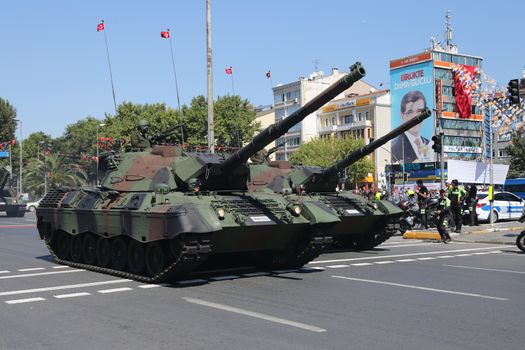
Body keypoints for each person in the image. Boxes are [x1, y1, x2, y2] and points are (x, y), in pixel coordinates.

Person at [391, 91, 433, 163]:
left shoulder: (429, 143)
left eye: (419, 111)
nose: (415, 116)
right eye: (410, 112)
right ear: (402, 115)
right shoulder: (394, 147)